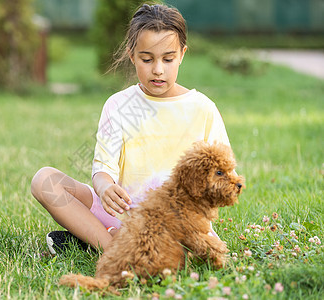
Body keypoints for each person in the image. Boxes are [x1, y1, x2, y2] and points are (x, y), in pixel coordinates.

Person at [31, 3, 230, 254]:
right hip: (124, 216)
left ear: (182, 54)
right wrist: (105, 189)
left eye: (168, 59)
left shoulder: (202, 109)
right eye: (147, 59)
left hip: (179, 224)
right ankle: (113, 247)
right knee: (44, 181)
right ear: (132, 55)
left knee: (190, 244)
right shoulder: (119, 105)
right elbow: (103, 171)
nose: (158, 69)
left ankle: (102, 243)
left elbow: (223, 177)